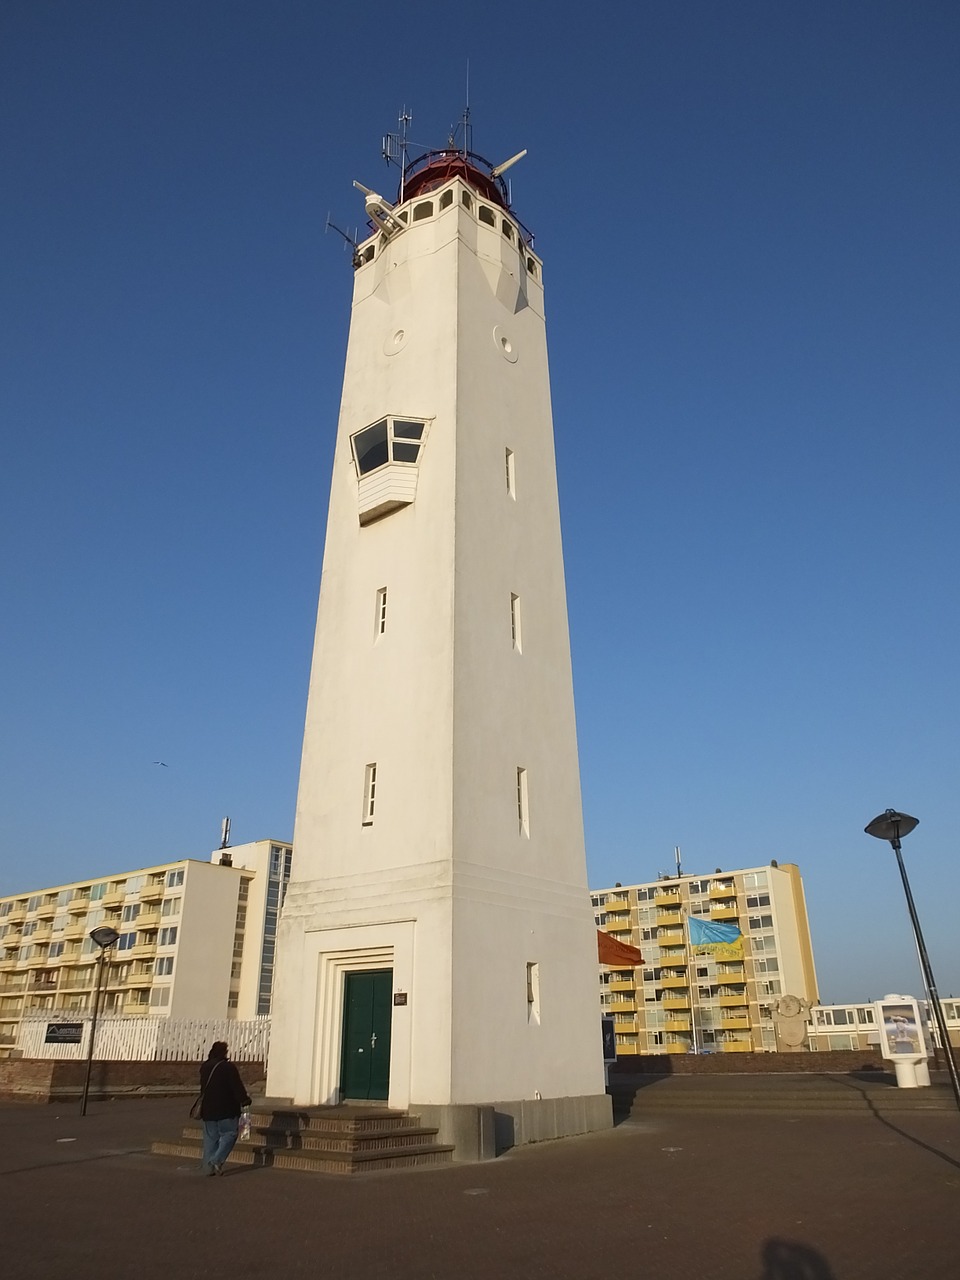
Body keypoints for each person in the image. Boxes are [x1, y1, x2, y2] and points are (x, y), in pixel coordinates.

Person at [198, 1041, 251, 1176]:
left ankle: (208, 1169)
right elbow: (236, 1087)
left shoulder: (205, 1067)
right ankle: (216, 1160)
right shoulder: (228, 1068)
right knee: (230, 1134)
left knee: (210, 1139)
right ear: (224, 1052)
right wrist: (244, 1100)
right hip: (227, 1109)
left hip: (208, 1109)